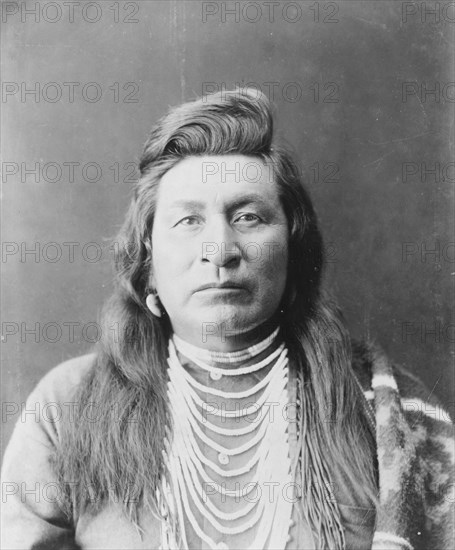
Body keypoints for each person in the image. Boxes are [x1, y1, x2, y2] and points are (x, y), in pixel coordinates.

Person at [1, 88, 453, 550]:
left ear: (294, 253)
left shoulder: (382, 410)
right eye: (188, 221)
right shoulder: (67, 404)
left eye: (249, 217)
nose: (220, 250)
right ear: (148, 263)